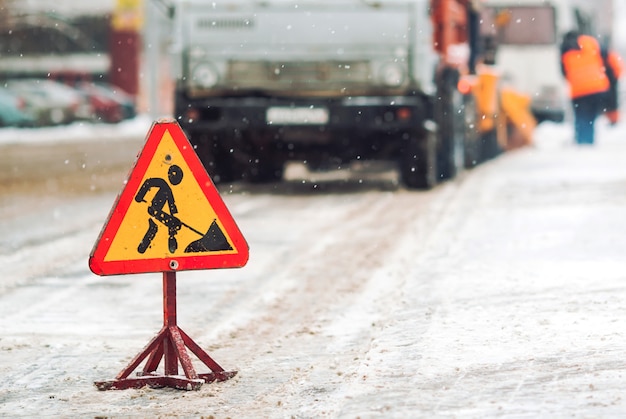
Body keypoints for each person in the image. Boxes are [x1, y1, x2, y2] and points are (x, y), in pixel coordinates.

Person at [560, 31, 610, 145]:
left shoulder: (565, 47)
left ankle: (582, 141)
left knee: (581, 115)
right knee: (591, 115)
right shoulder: (589, 41)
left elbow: (563, 71)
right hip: (597, 86)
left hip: (578, 89)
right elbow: (605, 56)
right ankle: (589, 140)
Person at [600, 40, 624, 125]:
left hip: (610, 80)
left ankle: (613, 119)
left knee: (611, 100)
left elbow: (617, 67)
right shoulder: (610, 55)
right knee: (612, 100)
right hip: (610, 80)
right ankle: (612, 118)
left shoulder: (607, 56)